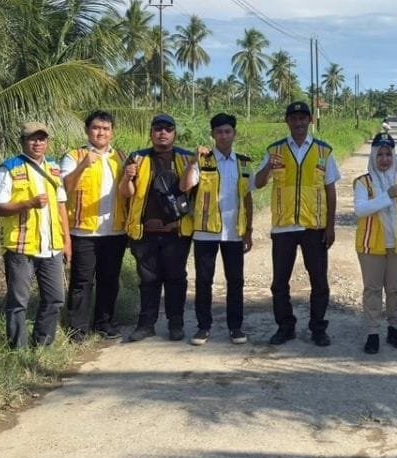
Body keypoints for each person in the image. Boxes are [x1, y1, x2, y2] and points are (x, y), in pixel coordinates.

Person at [254, 101, 340, 346]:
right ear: (287, 121)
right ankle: (285, 326)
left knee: (319, 281)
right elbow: (259, 183)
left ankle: (318, 328)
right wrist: (267, 169)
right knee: (279, 282)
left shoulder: (324, 151)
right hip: (283, 228)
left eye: (303, 118)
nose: (299, 122)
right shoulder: (275, 151)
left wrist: (331, 226)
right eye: (294, 118)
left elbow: (330, 190)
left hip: (314, 226)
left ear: (310, 121)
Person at [0, 122, 71, 349]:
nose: (38, 143)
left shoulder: (54, 168)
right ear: (23, 142)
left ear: (47, 142)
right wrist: (27, 204)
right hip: (21, 246)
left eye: (42, 139)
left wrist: (67, 241)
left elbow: (62, 205)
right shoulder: (9, 168)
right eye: (33, 139)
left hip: (52, 245)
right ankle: (18, 350)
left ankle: (43, 345)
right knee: (18, 302)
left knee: (55, 298)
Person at [119, 113, 196, 342]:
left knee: (176, 279)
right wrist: (127, 176)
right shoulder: (137, 158)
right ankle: (146, 324)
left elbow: (193, 191)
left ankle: (176, 324)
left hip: (176, 232)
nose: (163, 132)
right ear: (151, 133)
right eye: (158, 128)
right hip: (145, 233)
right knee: (148, 280)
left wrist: (193, 166)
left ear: (175, 133)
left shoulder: (186, 158)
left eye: (168, 128)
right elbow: (126, 193)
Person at [183, 113, 254, 346]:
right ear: (212, 135)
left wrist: (249, 230)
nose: (223, 136)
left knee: (236, 281)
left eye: (228, 131)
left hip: (234, 232)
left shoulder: (243, 162)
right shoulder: (203, 161)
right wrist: (192, 162)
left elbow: (247, 197)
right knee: (204, 281)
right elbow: (185, 186)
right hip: (205, 232)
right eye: (219, 132)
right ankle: (203, 327)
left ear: (235, 134)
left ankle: (236, 327)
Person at [60, 111, 128, 341]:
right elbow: (64, 188)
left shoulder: (120, 156)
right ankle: (78, 329)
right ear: (87, 130)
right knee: (82, 281)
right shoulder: (73, 156)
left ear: (112, 132)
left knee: (110, 280)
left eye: (106, 128)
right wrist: (81, 166)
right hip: (83, 231)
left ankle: (104, 323)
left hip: (115, 231)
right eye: (97, 128)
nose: (101, 132)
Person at [352, 132, 397, 354]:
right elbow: (360, 210)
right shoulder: (363, 182)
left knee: (394, 289)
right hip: (372, 245)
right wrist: (386, 196)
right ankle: (372, 332)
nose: (384, 159)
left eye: (388, 154)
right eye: (379, 154)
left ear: (394, 156)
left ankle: (393, 328)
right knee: (372, 289)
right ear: (373, 156)